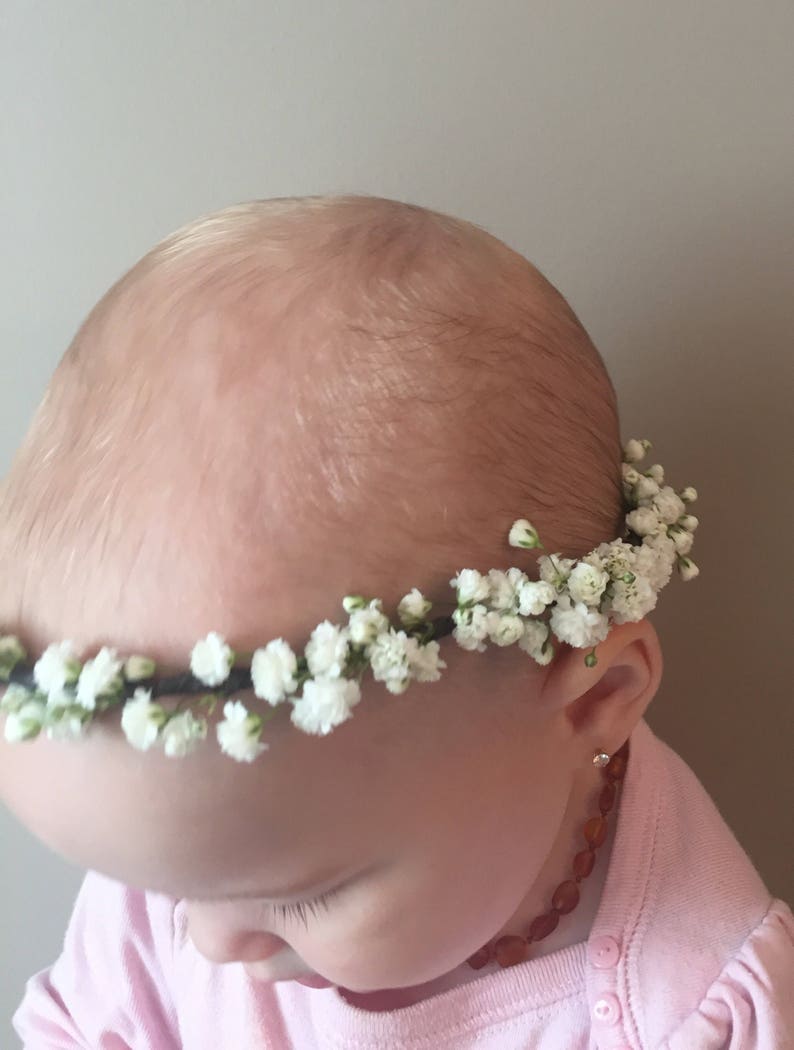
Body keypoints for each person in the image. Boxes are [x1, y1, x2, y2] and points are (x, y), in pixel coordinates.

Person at [1, 196, 791, 1049]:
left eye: (307, 895)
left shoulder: (687, 1004)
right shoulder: (197, 847)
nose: (205, 942)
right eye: (152, 884)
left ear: (596, 694)